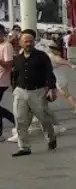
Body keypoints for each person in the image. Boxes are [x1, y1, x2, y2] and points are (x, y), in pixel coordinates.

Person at [10, 29, 58, 157]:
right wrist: (14, 88)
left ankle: (51, 138)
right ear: (21, 43)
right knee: (20, 120)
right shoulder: (18, 59)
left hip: (38, 91)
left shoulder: (41, 56)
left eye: (31, 41)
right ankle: (24, 147)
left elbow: (49, 73)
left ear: (34, 42)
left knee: (44, 118)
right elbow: (14, 74)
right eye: (26, 41)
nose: (28, 44)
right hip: (20, 92)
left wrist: (51, 89)